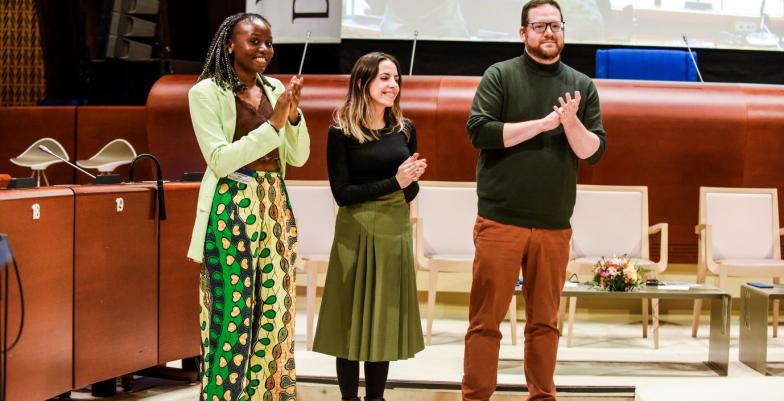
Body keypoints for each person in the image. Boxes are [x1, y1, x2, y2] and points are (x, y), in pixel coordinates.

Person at [461, 1, 606, 400]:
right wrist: (543, 125)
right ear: (522, 32)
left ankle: (542, 395)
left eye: (555, 25)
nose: (548, 32)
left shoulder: (582, 85)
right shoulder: (500, 75)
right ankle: (476, 396)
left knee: (545, 322)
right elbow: (481, 131)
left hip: (554, 223)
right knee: (485, 321)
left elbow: (592, 151)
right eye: (539, 26)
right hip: (500, 220)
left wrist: (571, 122)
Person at [186, 12, 310, 401]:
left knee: (277, 312)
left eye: (268, 42)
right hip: (231, 206)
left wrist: (292, 116)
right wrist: (273, 125)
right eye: (254, 41)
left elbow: (300, 156)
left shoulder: (275, 88)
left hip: (274, 203)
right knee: (233, 314)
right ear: (229, 44)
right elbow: (220, 161)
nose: (264, 50)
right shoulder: (205, 93)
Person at [312, 52, 427, 401]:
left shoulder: (405, 129)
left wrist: (409, 181)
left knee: (383, 320)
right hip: (356, 229)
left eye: (396, 79)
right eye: (384, 78)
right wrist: (396, 181)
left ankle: (376, 398)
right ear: (363, 82)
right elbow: (343, 194)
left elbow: (411, 190)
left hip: (394, 230)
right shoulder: (341, 132)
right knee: (350, 320)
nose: (393, 85)